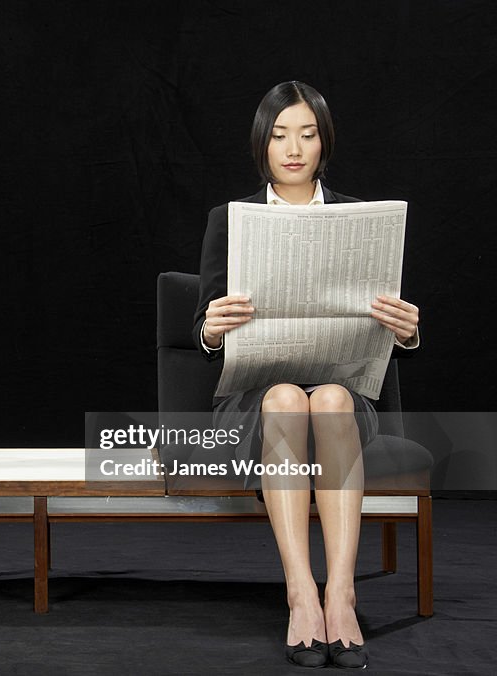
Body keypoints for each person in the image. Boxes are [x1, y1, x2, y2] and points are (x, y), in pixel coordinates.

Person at [193, 81, 420, 669]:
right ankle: (300, 594)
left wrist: (406, 329)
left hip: (342, 401)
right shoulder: (231, 220)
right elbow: (203, 335)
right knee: (289, 398)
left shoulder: (356, 218)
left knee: (332, 400)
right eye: (279, 135)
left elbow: (391, 333)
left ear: (324, 142)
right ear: (262, 145)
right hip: (257, 404)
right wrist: (212, 326)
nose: (293, 148)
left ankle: (341, 596)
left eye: (307, 134)